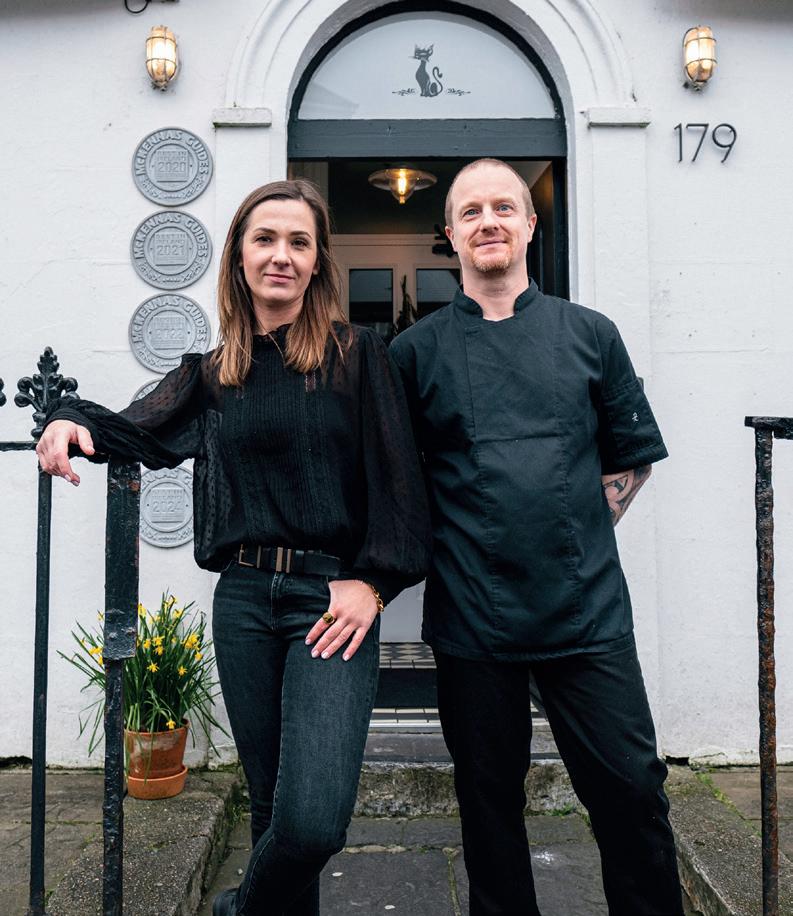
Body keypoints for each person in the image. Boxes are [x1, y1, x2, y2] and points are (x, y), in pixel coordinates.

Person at [36, 179, 431, 916]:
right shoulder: (214, 374)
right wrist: (64, 417)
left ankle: (235, 909)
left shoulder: (357, 356)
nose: (281, 255)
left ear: (317, 263)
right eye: (265, 239)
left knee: (312, 822)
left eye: (298, 242)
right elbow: (132, 430)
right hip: (245, 601)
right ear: (239, 259)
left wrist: (373, 583)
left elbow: (400, 482)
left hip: (330, 602)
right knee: (270, 807)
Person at [389, 159, 683, 916]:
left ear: (529, 224)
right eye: (470, 211)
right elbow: (398, 483)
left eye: (503, 207)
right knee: (487, 806)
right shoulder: (412, 353)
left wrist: (570, 530)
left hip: (586, 613)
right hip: (472, 618)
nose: (488, 221)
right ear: (449, 233)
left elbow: (630, 456)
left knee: (631, 791)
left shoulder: (590, 334)